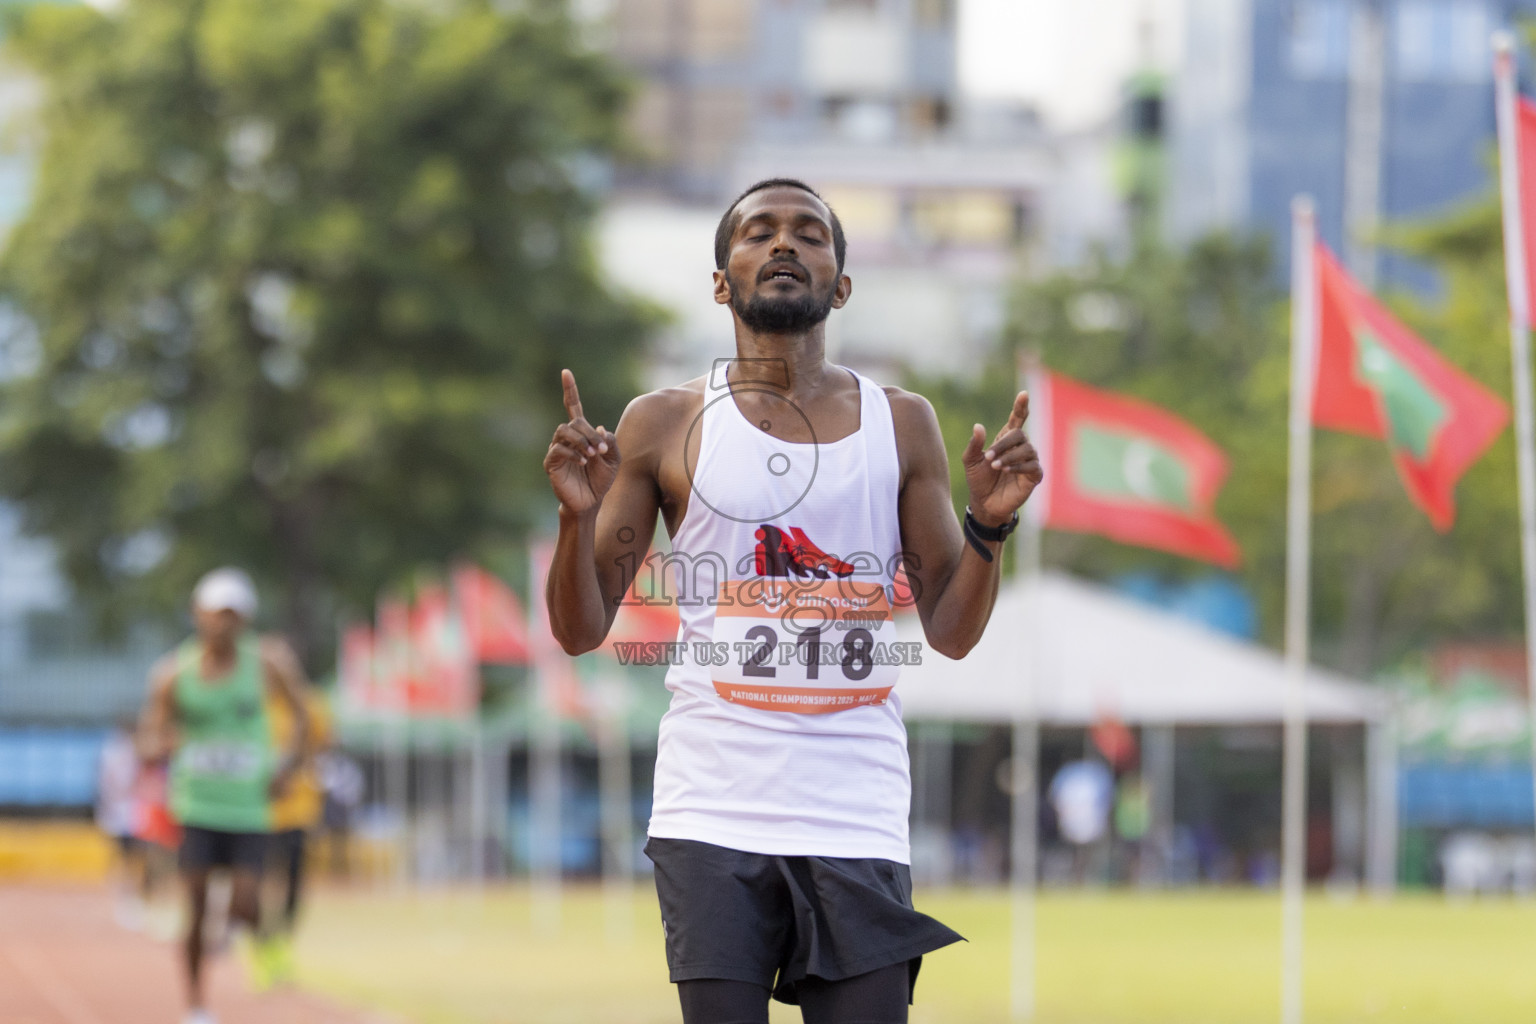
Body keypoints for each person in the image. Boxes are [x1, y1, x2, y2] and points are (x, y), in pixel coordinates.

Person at [544, 178, 1042, 1024]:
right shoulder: (662, 424)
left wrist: (988, 528)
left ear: (841, 283)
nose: (784, 244)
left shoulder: (903, 423)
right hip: (713, 806)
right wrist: (575, 515)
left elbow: (951, 632)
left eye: (809, 234)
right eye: (759, 232)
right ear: (720, 279)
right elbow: (582, 626)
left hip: (855, 809)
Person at [138, 567, 310, 1024]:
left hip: (249, 806)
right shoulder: (174, 673)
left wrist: (288, 765)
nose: (224, 625)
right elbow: (149, 736)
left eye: (234, 616)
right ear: (198, 616)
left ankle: (261, 941)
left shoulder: (268, 662)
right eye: (217, 615)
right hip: (197, 805)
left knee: (246, 899)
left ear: (247, 619)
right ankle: (196, 1004)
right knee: (194, 908)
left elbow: (301, 715)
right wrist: (160, 746)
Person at [260, 681, 332, 986]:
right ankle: (262, 947)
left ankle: (282, 944)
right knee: (258, 885)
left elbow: (326, 745)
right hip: (261, 813)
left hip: (300, 811)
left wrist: (300, 760)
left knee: (293, 883)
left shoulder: (311, 705)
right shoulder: (258, 705)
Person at [97, 716, 147, 930]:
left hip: (130, 812)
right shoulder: (121, 752)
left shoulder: (118, 752)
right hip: (123, 812)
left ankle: (128, 896)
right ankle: (125, 897)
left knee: (131, 857)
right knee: (127, 857)